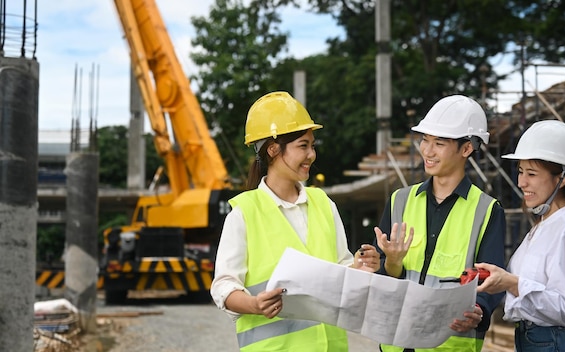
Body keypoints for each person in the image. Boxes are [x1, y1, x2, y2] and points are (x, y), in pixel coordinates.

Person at [211, 91, 381, 351]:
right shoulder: (244, 213)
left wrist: (360, 268)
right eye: (303, 145)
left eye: (312, 145)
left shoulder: (323, 203)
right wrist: (254, 305)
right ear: (273, 149)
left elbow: (340, 270)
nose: (311, 154)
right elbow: (224, 285)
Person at [373, 95, 507, 352]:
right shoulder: (399, 201)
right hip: (395, 344)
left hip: (448, 346)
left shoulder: (487, 211)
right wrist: (390, 263)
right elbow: (380, 276)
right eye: (425, 140)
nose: (427, 151)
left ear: (466, 149)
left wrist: (480, 308)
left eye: (439, 143)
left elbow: (490, 281)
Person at [475, 120, 565, 352]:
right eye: (521, 172)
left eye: (532, 173)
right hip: (533, 339)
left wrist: (511, 282)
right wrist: (496, 280)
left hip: (556, 341)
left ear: (562, 178)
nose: (521, 182)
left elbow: (564, 308)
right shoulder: (543, 226)